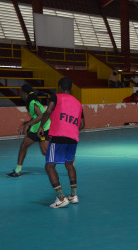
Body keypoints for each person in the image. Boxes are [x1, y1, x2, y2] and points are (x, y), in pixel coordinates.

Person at [38, 77, 85, 208]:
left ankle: (61, 198)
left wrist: (41, 126)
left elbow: (48, 111)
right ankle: (74, 196)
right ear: (71, 88)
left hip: (59, 136)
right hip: (73, 138)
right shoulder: (78, 103)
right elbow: (82, 124)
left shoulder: (56, 97)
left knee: (49, 166)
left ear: (59, 87)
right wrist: (71, 129)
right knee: (69, 165)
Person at [6, 84, 51, 178]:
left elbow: (40, 116)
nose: (20, 94)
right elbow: (36, 116)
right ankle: (67, 159)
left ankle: (17, 171)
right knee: (44, 152)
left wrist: (27, 125)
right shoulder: (33, 100)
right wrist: (26, 125)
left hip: (39, 128)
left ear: (24, 93)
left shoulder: (31, 102)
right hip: (45, 127)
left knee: (23, 146)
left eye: (20, 92)